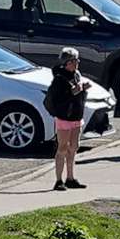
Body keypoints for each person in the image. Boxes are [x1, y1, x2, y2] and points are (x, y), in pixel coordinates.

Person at [44, 50, 90, 190]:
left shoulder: (76, 75)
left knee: (74, 147)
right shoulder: (59, 78)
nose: (77, 63)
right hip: (64, 117)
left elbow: (78, 93)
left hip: (77, 116)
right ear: (68, 63)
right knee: (62, 148)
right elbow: (59, 99)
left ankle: (70, 177)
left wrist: (82, 89)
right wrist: (73, 91)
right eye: (75, 60)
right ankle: (58, 180)